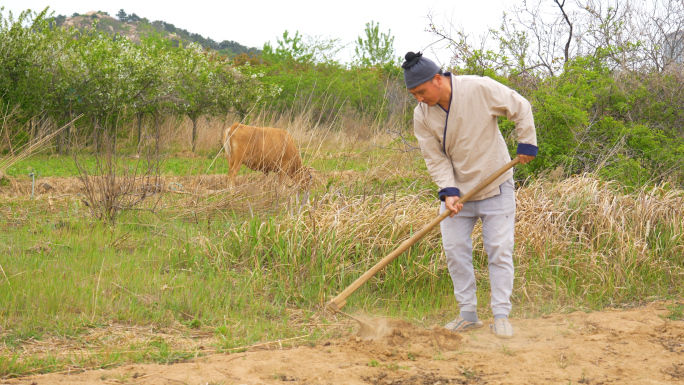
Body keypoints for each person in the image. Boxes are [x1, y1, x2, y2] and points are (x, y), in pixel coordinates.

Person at [402, 51, 537, 339]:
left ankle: (500, 315)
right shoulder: (421, 114)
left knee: (499, 249)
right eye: (413, 95)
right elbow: (434, 157)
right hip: (458, 195)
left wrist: (527, 142)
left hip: (495, 183)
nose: (419, 99)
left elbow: (521, 106)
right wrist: (448, 193)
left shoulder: (479, 87)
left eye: (421, 92)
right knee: (454, 250)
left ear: (438, 79)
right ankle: (468, 314)